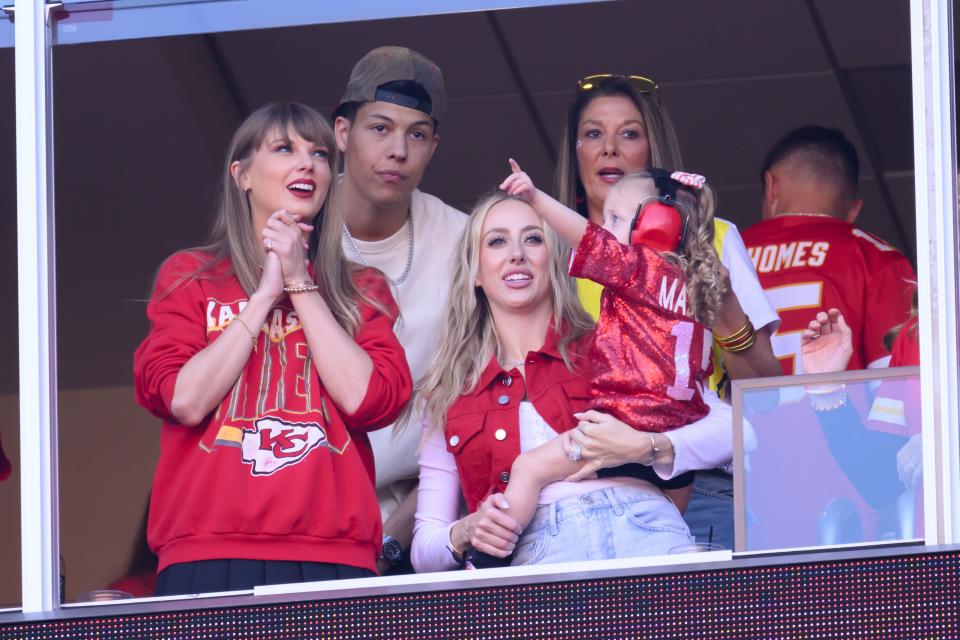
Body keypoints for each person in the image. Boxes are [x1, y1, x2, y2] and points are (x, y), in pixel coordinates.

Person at [133, 103, 412, 595]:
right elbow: (184, 399)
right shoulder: (190, 277)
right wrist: (263, 295)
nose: (307, 164)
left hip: (332, 551)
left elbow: (367, 400)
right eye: (285, 149)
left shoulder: (362, 287)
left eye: (320, 154)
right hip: (208, 550)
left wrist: (300, 282)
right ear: (241, 174)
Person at [411, 191, 736, 571]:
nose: (517, 253)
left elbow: (736, 426)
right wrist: (465, 531)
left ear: (557, 260)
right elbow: (424, 550)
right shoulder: (450, 392)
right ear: (475, 271)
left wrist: (647, 446)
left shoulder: (614, 343)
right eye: (497, 241)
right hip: (538, 553)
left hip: (645, 527)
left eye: (533, 238)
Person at [552, 73, 781, 551]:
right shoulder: (548, 252)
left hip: (704, 484)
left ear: (653, 150)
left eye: (629, 133)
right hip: (584, 491)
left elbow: (763, 390)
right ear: (574, 153)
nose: (610, 149)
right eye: (593, 134)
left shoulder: (712, 236)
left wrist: (725, 311)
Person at [492, 163, 726, 537]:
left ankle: (493, 550)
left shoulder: (637, 268)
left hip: (619, 427)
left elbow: (583, 236)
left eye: (615, 218)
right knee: (667, 520)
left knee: (528, 469)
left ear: (657, 226)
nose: (606, 230)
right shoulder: (701, 285)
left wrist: (535, 198)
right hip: (677, 448)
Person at [332, 46, 466, 573]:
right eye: (380, 128)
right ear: (342, 132)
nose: (397, 151)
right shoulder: (294, 230)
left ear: (433, 146)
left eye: (416, 135)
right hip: (305, 507)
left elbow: (479, 400)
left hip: (423, 516)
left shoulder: (464, 242)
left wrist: (395, 538)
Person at [742, 125, 917, 374]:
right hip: (836, 411)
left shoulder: (724, 255)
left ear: (771, 186)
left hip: (742, 414)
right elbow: (894, 384)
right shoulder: (878, 259)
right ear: (853, 210)